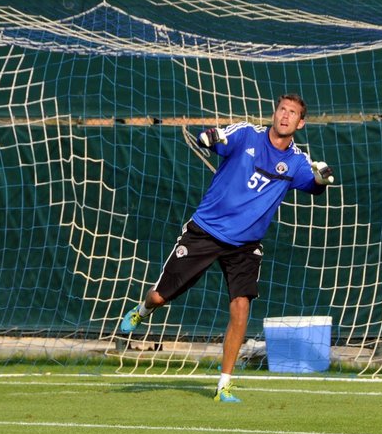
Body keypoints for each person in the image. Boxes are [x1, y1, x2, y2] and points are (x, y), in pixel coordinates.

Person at [120, 93, 335, 402]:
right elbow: (213, 138)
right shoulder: (247, 134)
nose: (285, 116)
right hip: (206, 231)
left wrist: (323, 178)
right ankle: (142, 311)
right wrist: (208, 137)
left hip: (245, 246)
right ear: (275, 113)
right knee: (159, 296)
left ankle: (224, 385)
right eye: (282, 109)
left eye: (293, 113)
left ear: (301, 123)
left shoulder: (297, 160)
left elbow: (314, 185)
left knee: (241, 306)